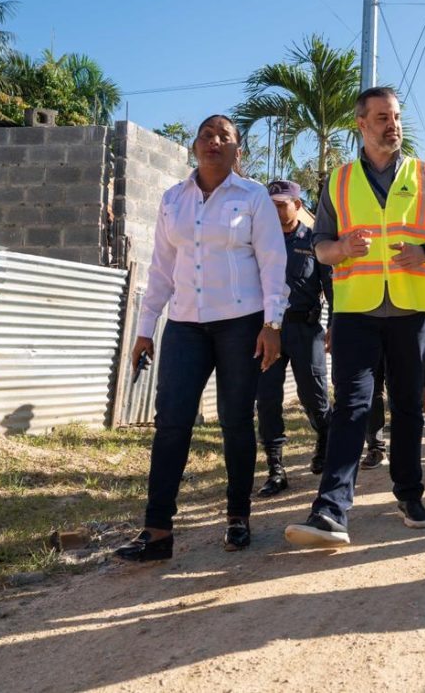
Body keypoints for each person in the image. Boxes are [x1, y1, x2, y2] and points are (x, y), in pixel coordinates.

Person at [285, 87, 425, 549]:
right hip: (356, 310)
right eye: (382, 117)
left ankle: (409, 493)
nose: (393, 125)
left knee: (406, 405)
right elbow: (320, 244)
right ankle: (330, 510)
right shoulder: (339, 182)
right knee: (352, 407)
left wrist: (424, 251)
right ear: (361, 125)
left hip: (410, 308)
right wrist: (341, 249)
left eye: (396, 116)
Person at [116, 115, 288, 561]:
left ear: (238, 151)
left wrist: (272, 325)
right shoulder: (173, 199)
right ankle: (157, 532)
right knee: (171, 422)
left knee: (235, 421)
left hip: (241, 324)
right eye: (206, 135)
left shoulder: (253, 197)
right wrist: (145, 329)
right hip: (186, 326)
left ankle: (237, 517)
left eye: (224, 137)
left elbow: (273, 263)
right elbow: (160, 269)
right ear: (194, 145)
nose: (214, 141)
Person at [253, 180, 334, 496]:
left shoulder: (315, 241)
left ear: (298, 205)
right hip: (268, 330)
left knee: (313, 394)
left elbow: (331, 286)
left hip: (305, 328)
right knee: (268, 398)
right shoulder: (258, 241)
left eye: (280, 205)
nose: (274, 212)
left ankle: (325, 441)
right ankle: (275, 469)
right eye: (269, 206)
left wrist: (335, 323)